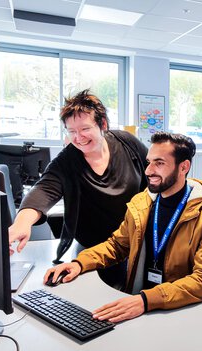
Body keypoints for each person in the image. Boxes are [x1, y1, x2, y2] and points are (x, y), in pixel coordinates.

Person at [45, 132, 202, 322]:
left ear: (184, 167)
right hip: (140, 304)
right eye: (149, 162)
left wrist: (146, 300)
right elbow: (117, 245)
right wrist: (80, 263)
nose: (148, 171)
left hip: (181, 310)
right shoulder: (142, 202)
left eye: (159, 163)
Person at [9, 90, 148, 273]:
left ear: (102, 124)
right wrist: (22, 223)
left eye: (85, 129)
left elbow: (153, 171)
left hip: (134, 241)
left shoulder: (126, 142)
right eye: (72, 131)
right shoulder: (66, 162)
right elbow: (43, 190)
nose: (78, 137)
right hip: (91, 249)